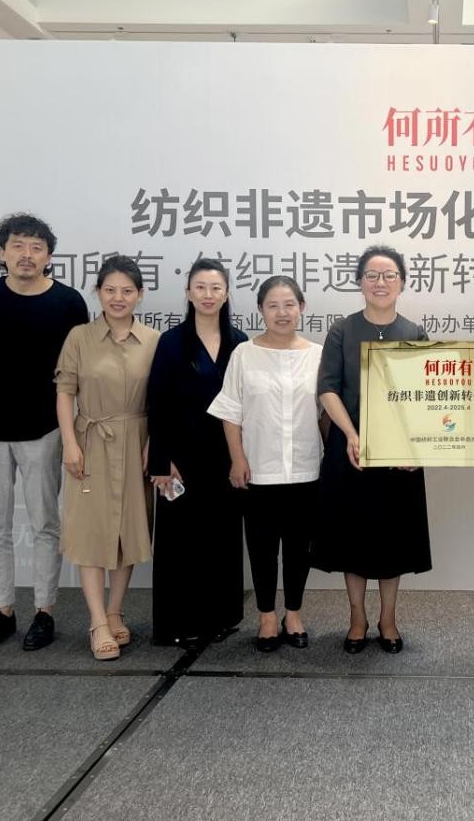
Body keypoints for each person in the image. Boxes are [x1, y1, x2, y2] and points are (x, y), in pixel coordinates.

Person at [0, 213, 89, 652]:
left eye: (36, 247)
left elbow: (76, 368)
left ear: (49, 256)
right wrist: (1, 391)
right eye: (17, 245)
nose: (26, 254)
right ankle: (3, 611)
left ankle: (44, 611)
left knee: (46, 523)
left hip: (45, 429)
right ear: (2, 252)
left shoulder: (68, 302)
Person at [314, 246, 431, 654]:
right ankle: (357, 618)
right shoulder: (342, 331)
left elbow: (427, 398)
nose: (380, 283)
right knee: (354, 540)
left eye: (389, 275)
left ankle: (388, 619)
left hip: (399, 454)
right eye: (372, 276)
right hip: (352, 450)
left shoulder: (415, 333)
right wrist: (351, 434)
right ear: (360, 282)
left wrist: (414, 447)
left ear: (402, 282)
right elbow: (327, 388)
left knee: (392, 541)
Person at [209, 276, 322, 652]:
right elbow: (230, 411)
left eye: (289, 304)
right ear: (261, 310)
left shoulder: (318, 355)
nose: (282, 312)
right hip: (258, 469)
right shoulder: (244, 353)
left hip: (306, 468)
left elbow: (326, 413)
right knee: (261, 548)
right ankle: (267, 617)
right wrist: (237, 457)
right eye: (273, 305)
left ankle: (294, 614)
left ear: (302, 308)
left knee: (298, 548)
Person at [55, 256, 160, 661]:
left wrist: (154, 441)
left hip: (137, 442)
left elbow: (161, 397)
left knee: (127, 531)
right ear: (98, 292)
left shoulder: (153, 340)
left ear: (140, 294)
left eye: (127, 291)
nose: (119, 298)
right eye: (110, 290)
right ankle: (97, 621)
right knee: (90, 531)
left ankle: (115, 610)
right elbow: (65, 392)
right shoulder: (80, 337)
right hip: (91, 441)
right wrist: (70, 443)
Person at [146, 258, 247, 647]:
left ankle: (220, 617)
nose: (208, 294)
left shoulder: (240, 341)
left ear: (226, 293)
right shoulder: (171, 342)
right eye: (200, 287)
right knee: (180, 542)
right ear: (188, 292)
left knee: (222, 538)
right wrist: (161, 460)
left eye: (215, 287)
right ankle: (177, 623)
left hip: (227, 454)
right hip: (181, 458)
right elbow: (157, 403)